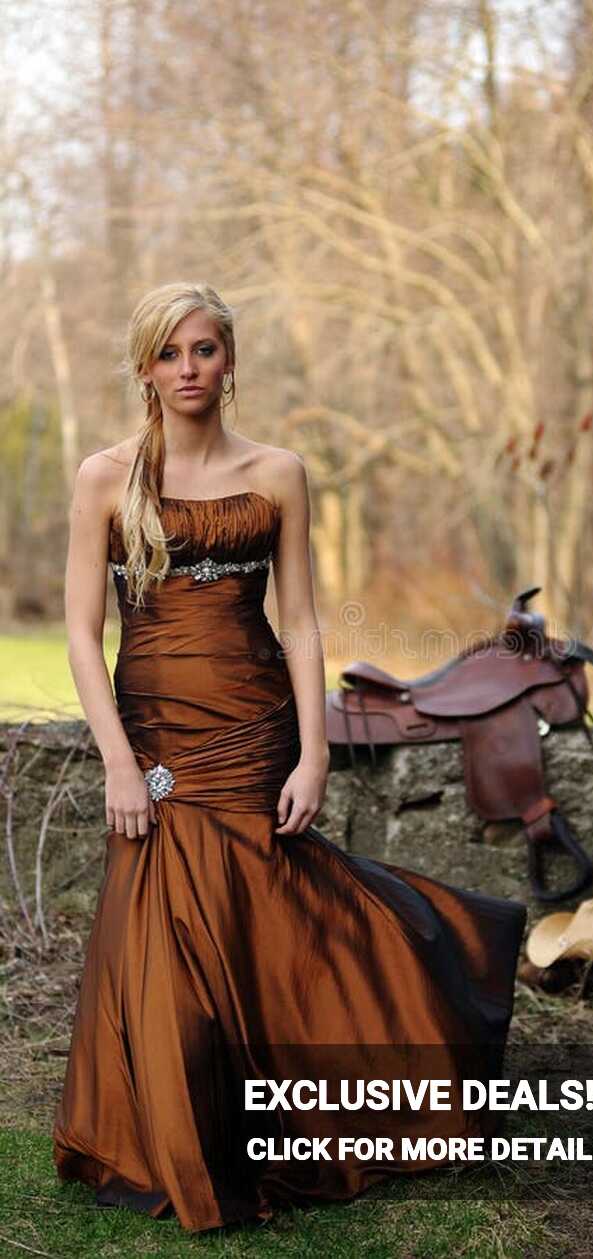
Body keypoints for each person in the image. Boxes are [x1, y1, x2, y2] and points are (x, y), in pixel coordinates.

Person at [52, 281, 528, 1233]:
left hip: (255, 726)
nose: (189, 369)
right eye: (170, 352)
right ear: (145, 365)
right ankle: (177, 1139)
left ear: (230, 359)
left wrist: (315, 753)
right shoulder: (106, 477)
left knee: (266, 927)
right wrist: (114, 760)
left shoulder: (278, 473)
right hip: (153, 737)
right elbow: (78, 629)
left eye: (206, 350)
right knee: (161, 945)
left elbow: (304, 621)